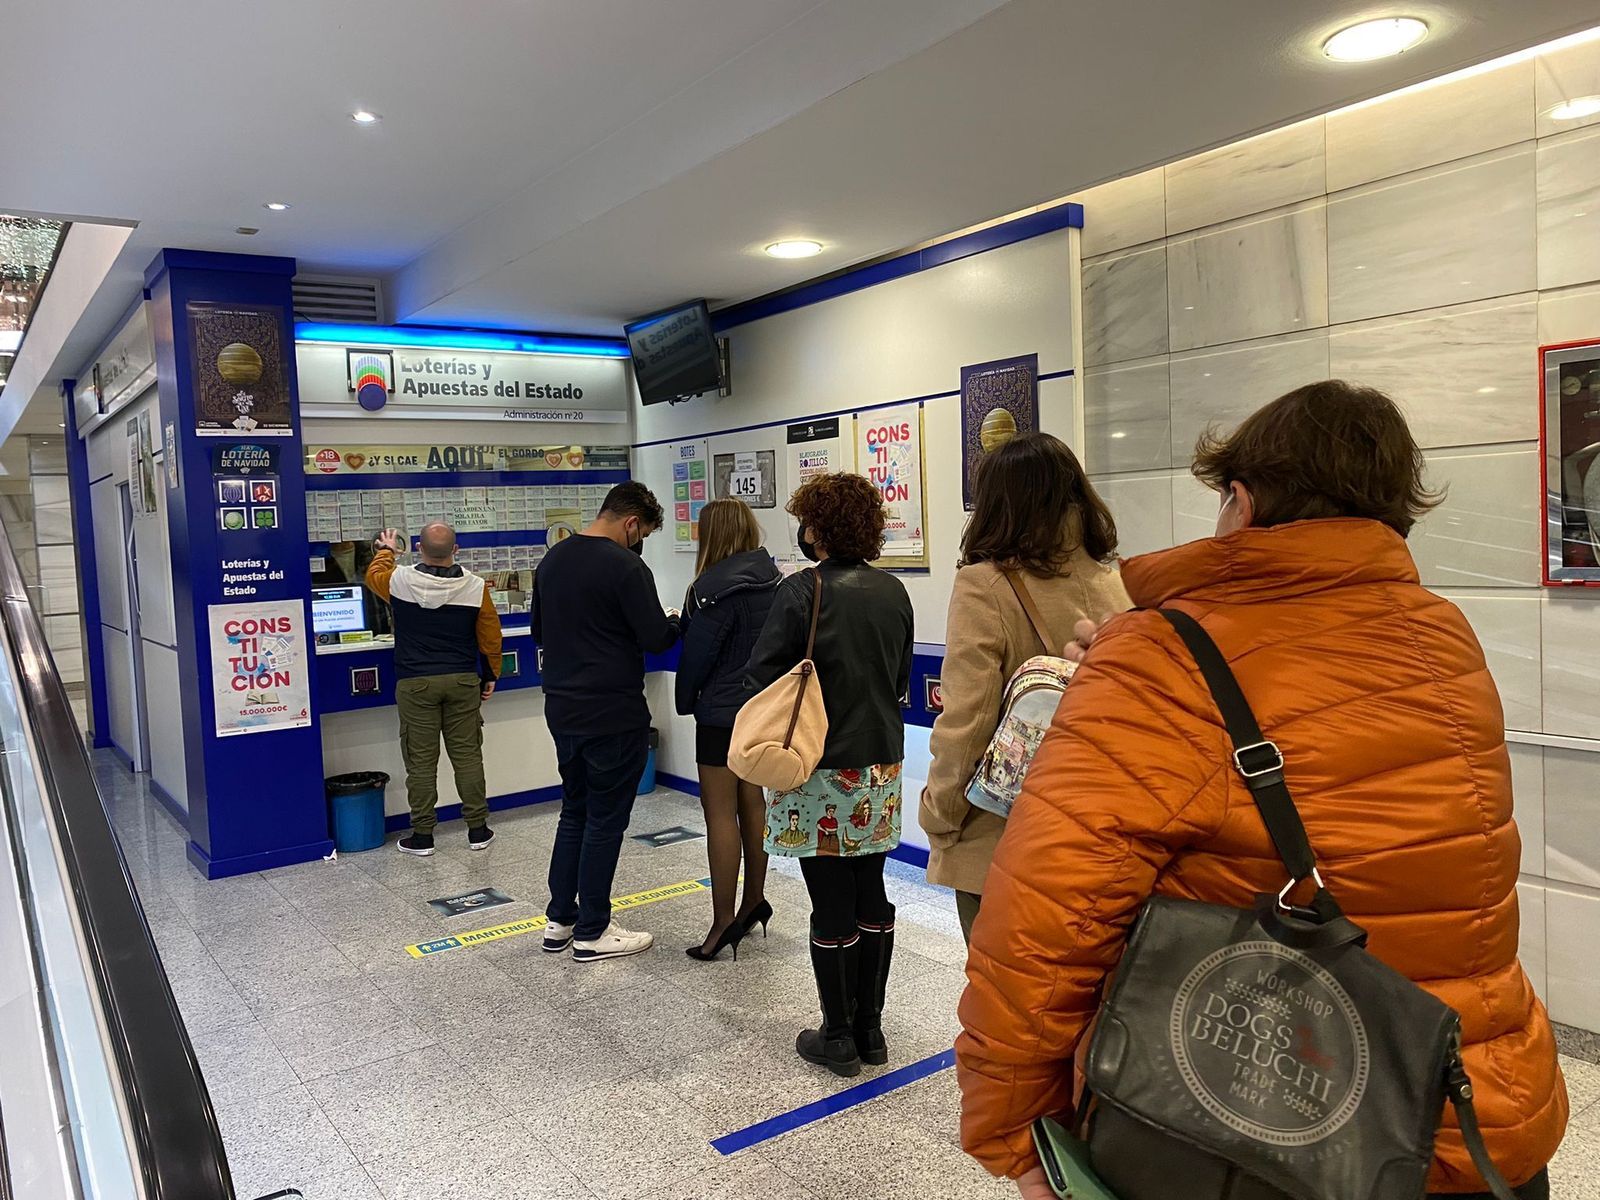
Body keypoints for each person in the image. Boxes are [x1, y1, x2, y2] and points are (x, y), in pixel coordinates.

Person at [955, 382, 1568, 1200]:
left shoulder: (1162, 656)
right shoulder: (1441, 633)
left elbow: (1047, 921)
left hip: (1276, 1136)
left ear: (1240, 502)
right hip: (1474, 1113)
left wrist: (1016, 1131)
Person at [919, 433, 1129, 941]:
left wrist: (940, 814)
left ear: (996, 505)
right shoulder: (1117, 581)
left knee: (1004, 998)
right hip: (1100, 828)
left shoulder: (985, 585)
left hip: (1004, 835)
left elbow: (967, 722)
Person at [745, 473, 913, 1078]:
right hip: (881, 763)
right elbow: (897, 681)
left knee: (829, 900)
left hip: (817, 768)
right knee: (873, 890)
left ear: (815, 527)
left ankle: (837, 1035)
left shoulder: (799, 593)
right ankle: (873, 1029)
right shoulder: (894, 591)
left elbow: (762, 680)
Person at [532, 482, 681, 963]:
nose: (641, 543)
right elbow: (656, 637)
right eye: (644, 534)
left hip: (562, 708)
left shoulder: (552, 560)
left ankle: (561, 919)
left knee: (573, 811)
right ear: (632, 523)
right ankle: (593, 929)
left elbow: (539, 630)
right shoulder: (626, 565)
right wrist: (679, 621)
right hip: (613, 711)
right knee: (605, 821)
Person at [674, 498, 781, 961]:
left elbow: (696, 660)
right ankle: (754, 900)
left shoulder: (709, 590)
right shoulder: (776, 581)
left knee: (719, 813)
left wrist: (685, 701)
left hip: (719, 715)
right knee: (753, 805)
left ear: (710, 535)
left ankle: (722, 922)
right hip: (760, 712)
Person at [365, 522, 502, 855]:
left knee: (421, 763)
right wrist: (490, 675)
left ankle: (423, 836)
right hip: (461, 681)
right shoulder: (474, 586)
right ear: (456, 551)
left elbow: (373, 575)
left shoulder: (399, 580)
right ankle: (478, 830)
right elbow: (490, 636)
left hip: (415, 684)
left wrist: (387, 550)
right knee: (468, 757)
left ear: (418, 548)